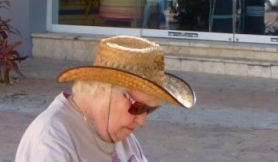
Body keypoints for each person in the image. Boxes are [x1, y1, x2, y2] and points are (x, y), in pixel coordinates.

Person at [15, 36, 195, 162]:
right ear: (102, 88)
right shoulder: (51, 141)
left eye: (150, 110)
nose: (142, 120)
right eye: (138, 107)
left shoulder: (118, 132)